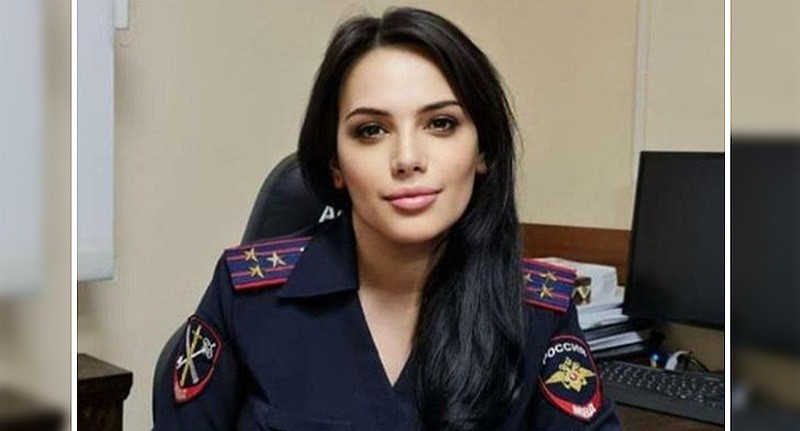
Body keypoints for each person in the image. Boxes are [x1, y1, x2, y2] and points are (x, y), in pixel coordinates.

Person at [152, 6, 622, 431]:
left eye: (441, 124)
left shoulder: (537, 312)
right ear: (335, 163)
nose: (407, 158)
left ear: (483, 151)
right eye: (371, 130)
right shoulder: (249, 297)